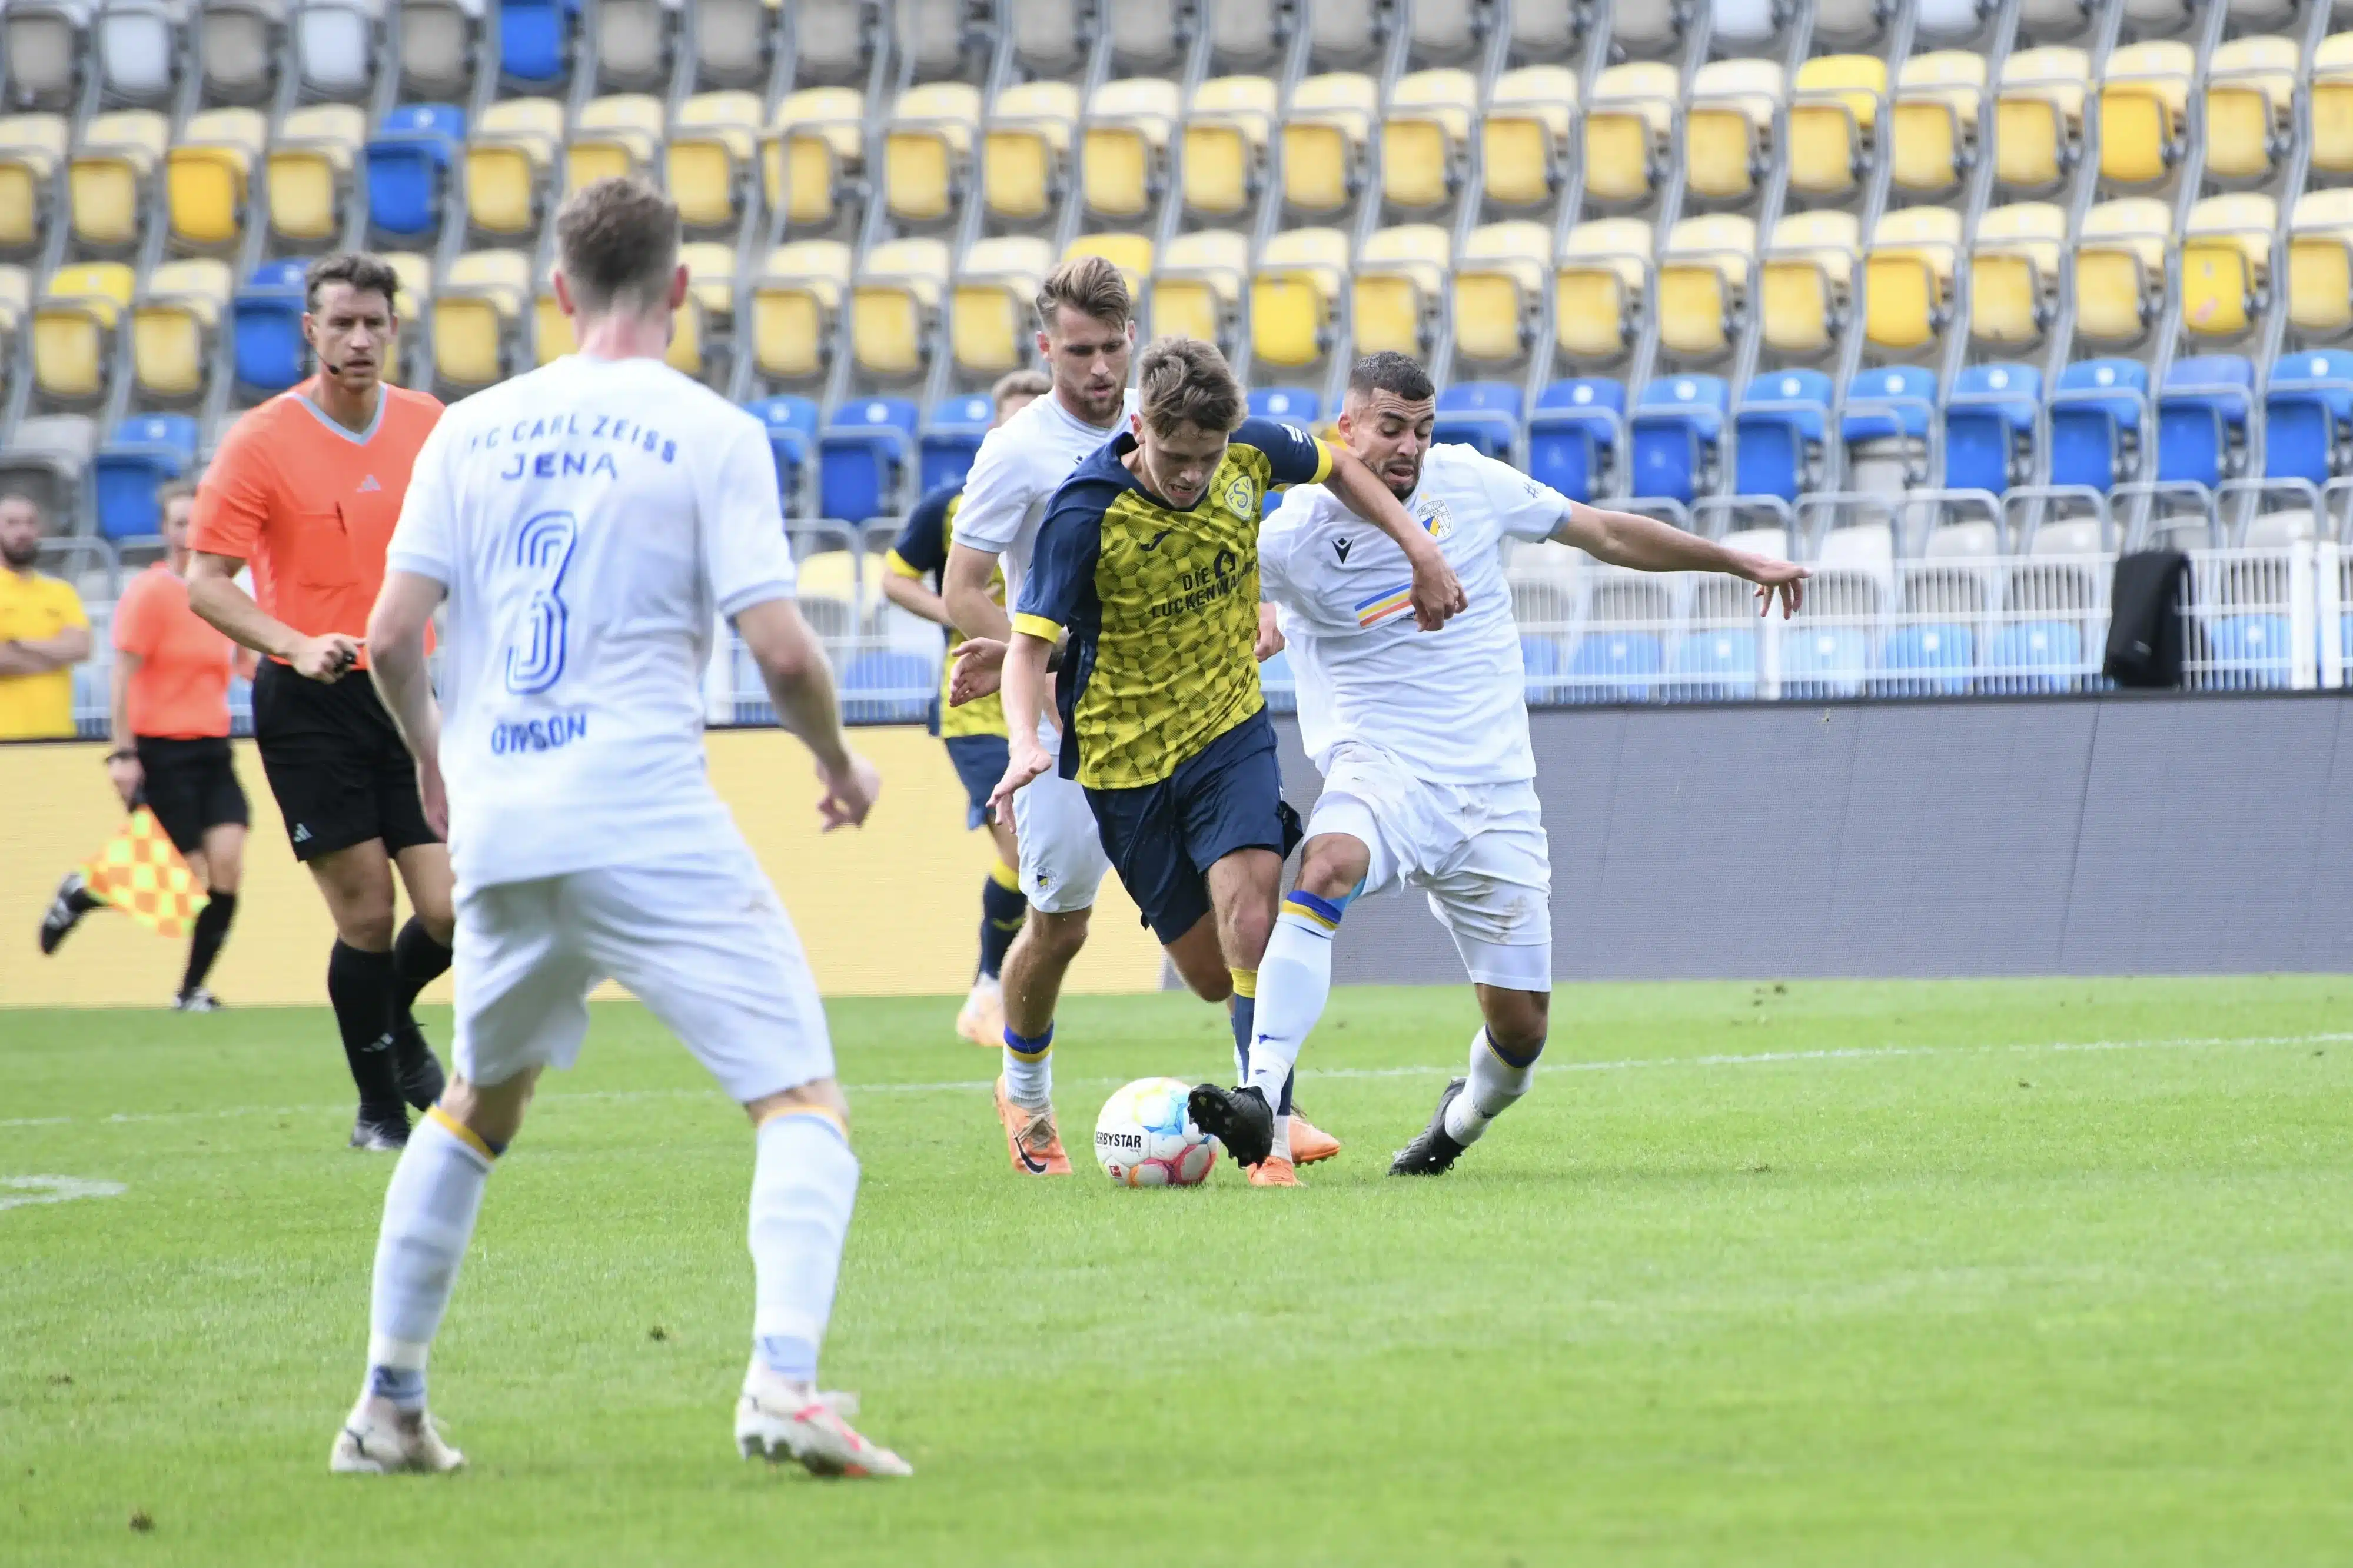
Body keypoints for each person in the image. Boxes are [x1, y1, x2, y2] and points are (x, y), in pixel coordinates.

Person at [339, 175, 907, 1480]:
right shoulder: (708, 431)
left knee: (477, 1105)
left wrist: (433, 760)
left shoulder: (467, 429)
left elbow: (390, 636)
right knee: (801, 1102)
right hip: (642, 813)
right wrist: (839, 762)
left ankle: (386, 1408)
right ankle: (782, 1384)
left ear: (557, 290)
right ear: (682, 290)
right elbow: (782, 648)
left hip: (503, 819)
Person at [1249, 353, 1810, 1175]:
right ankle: (1261, 1102)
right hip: (1381, 773)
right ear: (1346, 427)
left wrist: (1738, 561)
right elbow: (1207, 585)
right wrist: (1258, 607)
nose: (1409, 447)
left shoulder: (1469, 482)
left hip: (1494, 797)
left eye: (1422, 430)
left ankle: (1455, 1125)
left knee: (1521, 1034)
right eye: (1390, 427)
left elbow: (1604, 532)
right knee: (1326, 865)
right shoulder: (1294, 533)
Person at [990, 336, 1466, 1186]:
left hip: (1227, 728)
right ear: (1139, 427)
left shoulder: (1249, 452)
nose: (1193, 476)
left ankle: (1268, 1129)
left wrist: (1417, 548)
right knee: (1212, 974)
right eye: (1176, 457)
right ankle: (1026, 1086)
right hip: (1126, 762)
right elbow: (1029, 649)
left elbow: (1339, 467)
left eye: (1207, 458)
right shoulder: (1083, 514)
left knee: (1254, 919)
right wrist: (1026, 740)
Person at [185, 252, 454, 1151]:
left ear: (394, 329)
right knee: (368, 914)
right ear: (312, 331)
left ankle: (394, 1018)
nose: (360, 338)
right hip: (310, 702)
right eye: (343, 322)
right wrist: (296, 644)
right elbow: (206, 582)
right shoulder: (262, 439)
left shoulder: (431, 425)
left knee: (453, 910)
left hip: (408, 694)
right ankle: (378, 1111)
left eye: (375, 322)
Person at [930, 255, 1134, 1176]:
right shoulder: (1017, 450)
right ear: (1046, 348)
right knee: (1059, 924)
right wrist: (1043, 667)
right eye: (1079, 350)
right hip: (1062, 727)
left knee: (1234, 899)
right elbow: (962, 589)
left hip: (1164, 712)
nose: (1098, 367)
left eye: (1112, 346)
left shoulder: (1157, 424)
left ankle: (1272, 1104)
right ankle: (1025, 1094)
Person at [880, 368, 1048, 1048]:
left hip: (1052, 693)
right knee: (1018, 846)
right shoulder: (952, 506)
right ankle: (988, 987)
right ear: (993, 428)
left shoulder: (1071, 496)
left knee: (1039, 860)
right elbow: (894, 577)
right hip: (975, 707)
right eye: (1013, 418)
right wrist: (955, 611)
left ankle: (1001, 986)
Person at [39, 481, 255, 1009]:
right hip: (162, 748)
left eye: (197, 521)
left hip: (212, 746)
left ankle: (192, 989)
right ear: (165, 530)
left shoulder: (224, 594)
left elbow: (246, 662)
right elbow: (123, 676)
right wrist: (123, 752)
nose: (190, 532)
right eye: (180, 522)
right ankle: (83, 890)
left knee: (228, 864)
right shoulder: (151, 593)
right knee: (186, 877)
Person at [0, 492, 90, 741]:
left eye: (30, 523)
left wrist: (19, 644)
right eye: (12, 523)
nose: (23, 532)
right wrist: (57, 657)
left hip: (58, 738)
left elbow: (82, 648)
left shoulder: (60, 591)